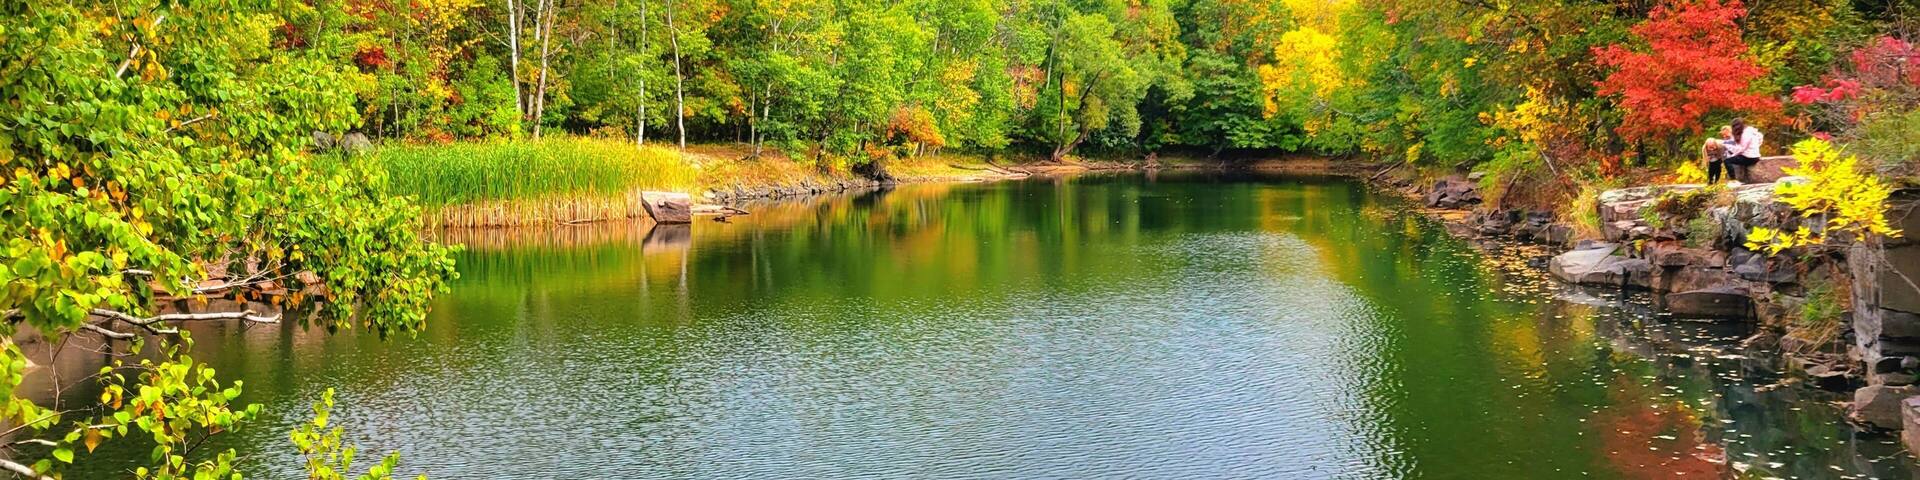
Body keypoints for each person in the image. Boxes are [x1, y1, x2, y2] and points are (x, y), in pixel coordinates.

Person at [1721, 118, 1764, 183]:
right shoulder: (1751, 131)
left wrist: (1731, 154)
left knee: (1727, 161)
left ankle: (1733, 180)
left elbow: (1740, 149)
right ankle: (1743, 179)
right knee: (1735, 158)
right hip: (1754, 156)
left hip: (1750, 158)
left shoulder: (1745, 134)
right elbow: (1760, 137)